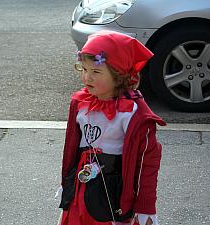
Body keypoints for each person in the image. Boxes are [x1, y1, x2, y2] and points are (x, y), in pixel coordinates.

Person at [57, 30, 166, 225]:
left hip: (114, 194)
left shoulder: (133, 113)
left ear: (119, 74)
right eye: (83, 69)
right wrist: (66, 184)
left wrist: (145, 207)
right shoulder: (81, 103)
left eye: (96, 71)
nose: (87, 78)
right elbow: (71, 150)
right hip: (80, 189)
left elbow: (147, 164)